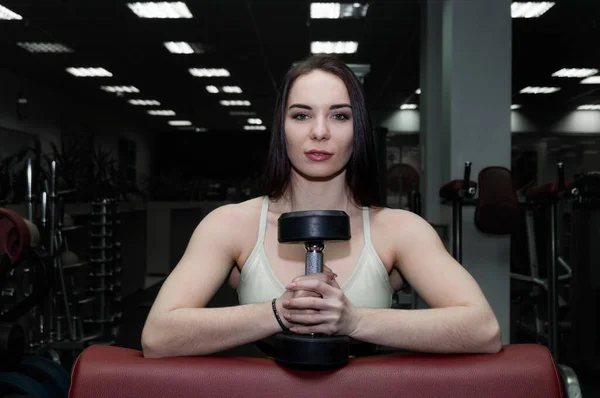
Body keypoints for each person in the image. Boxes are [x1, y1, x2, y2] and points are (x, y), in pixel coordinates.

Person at [140, 54, 502, 358]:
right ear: (281, 128)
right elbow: (158, 336)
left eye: (339, 115)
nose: (319, 132)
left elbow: (483, 330)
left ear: (357, 129)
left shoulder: (399, 229)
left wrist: (354, 321)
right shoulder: (232, 224)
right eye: (301, 115)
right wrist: (279, 313)